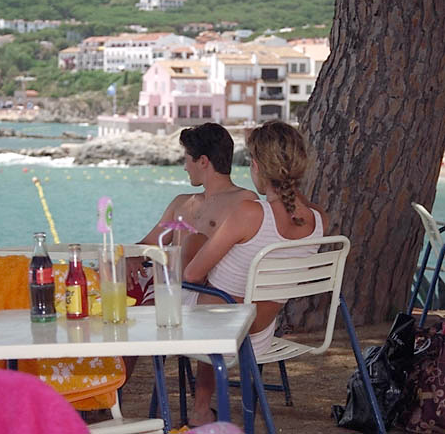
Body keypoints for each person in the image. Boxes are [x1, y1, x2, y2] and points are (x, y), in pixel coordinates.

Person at [182, 120, 329, 427]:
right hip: (260, 333)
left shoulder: (250, 213)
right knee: (223, 292)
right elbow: (296, 207)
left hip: (219, 330)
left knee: (195, 246)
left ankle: (200, 408)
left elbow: (192, 274)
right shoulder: (319, 220)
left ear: (258, 166)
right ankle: (202, 409)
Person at [127, 122, 257, 303]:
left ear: (202, 161)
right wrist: (132, 257)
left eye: (186, 159)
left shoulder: (245, 202)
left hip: (209, 296)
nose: (185, 167)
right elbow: (149, 244)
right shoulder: (181, 203)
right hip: (168, 289)